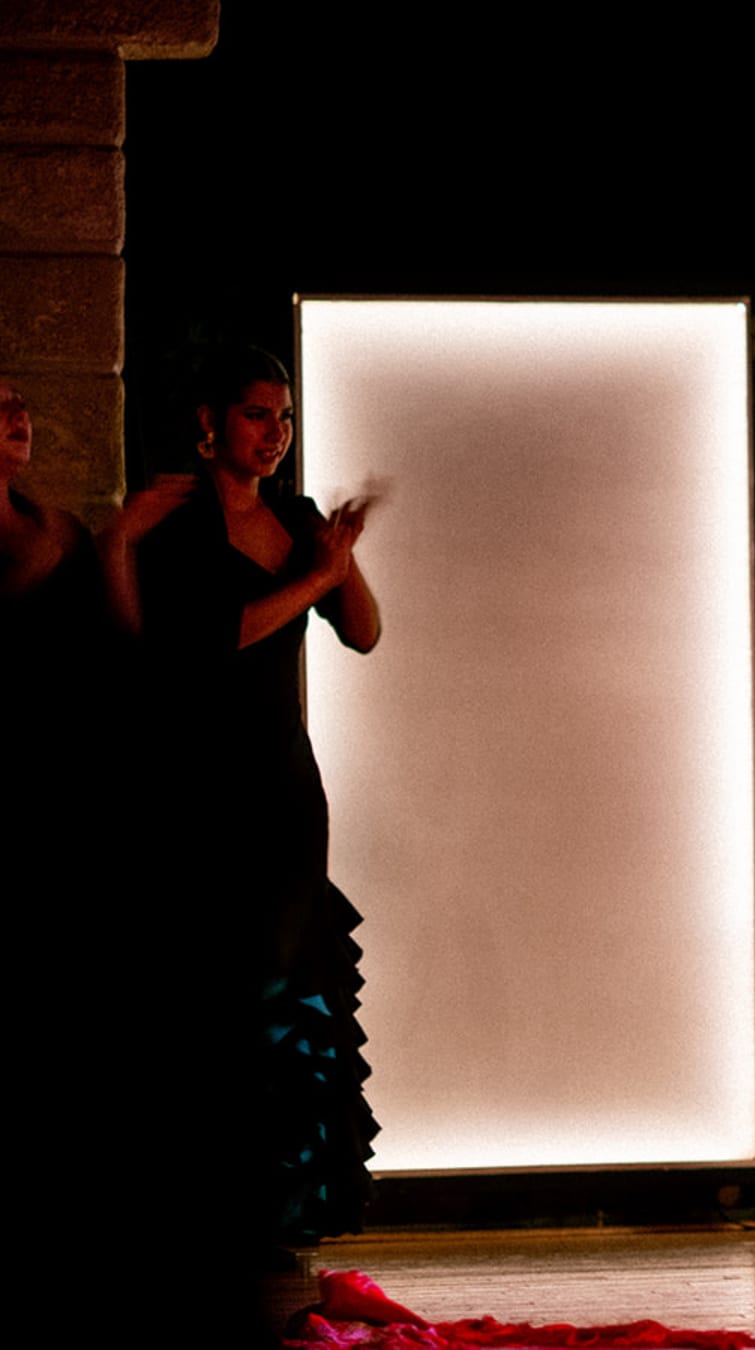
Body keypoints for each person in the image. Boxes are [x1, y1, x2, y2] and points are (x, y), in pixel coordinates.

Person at [131, 345, 385, 1247]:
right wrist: (310, 579)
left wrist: (337, 560)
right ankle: (205, 1206)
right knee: (210, 984)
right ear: (209, 423)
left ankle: (280, 1208)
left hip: (283, 781)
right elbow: (206, 642)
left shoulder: (295, 516)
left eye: (283, 417)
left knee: (287, 981)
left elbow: (364, 633)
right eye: (255, 415)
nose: (274, 433)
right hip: (199, 781)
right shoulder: (176, 518)